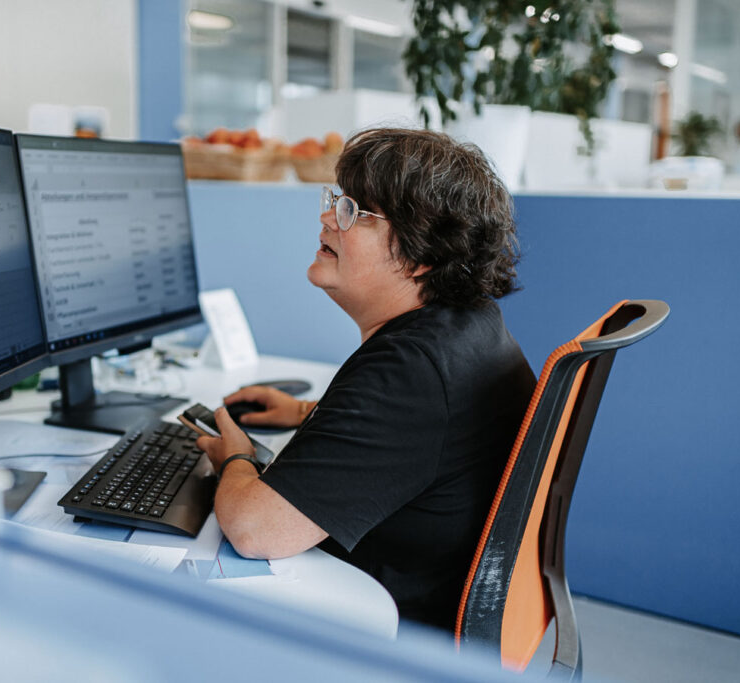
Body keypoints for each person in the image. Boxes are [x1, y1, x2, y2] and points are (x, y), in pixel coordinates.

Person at [194, 128, 536, 631]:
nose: (327, 218)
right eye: (337, 200)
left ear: (421, 257)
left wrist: (237, 459)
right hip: (427, 590)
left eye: (353, 212)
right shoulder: (468, 326)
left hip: (387, 627)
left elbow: (254, 529)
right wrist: (303, 414)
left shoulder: (410, 369)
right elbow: (426, 438)